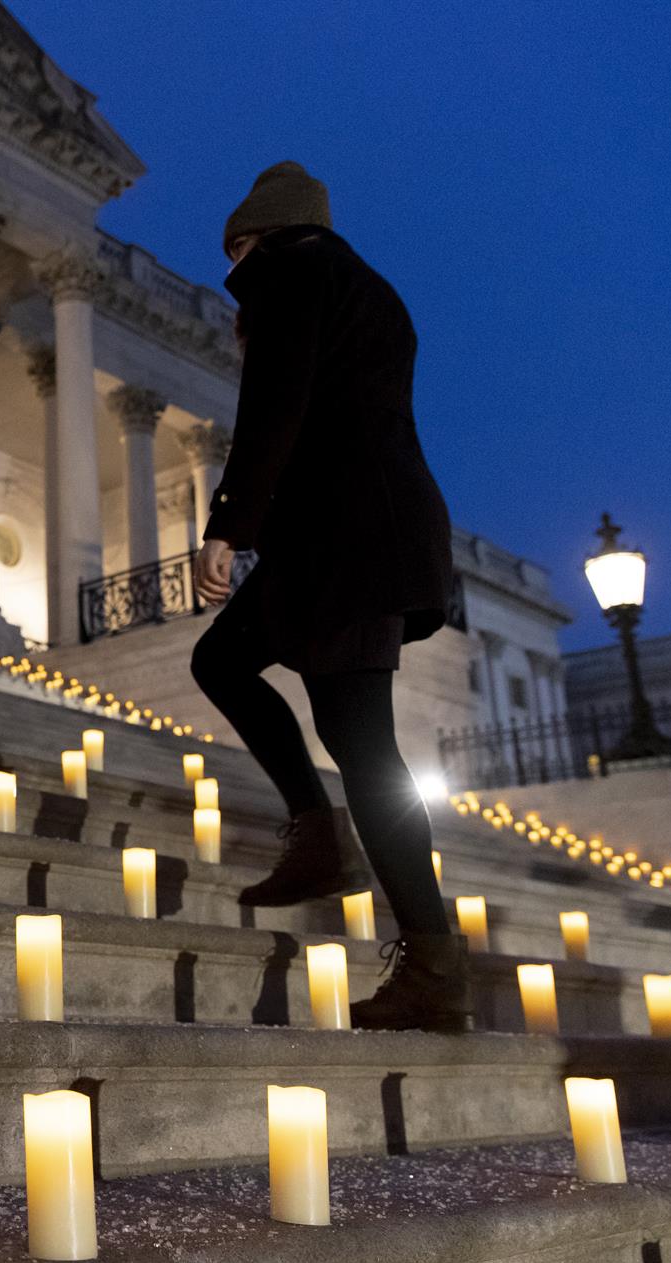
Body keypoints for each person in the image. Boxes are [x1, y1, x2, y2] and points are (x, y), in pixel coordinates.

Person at [191, 161, 466, 1033]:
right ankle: (329, 848)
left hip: (342, 540)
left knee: (354, 739)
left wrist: (227, 523)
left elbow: (276, 402)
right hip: (361, 538)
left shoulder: (291, 273)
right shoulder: (370, 292)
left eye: (235, 250)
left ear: (257, 235)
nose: (233, 271)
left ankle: (423, 950)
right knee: (330, 722)